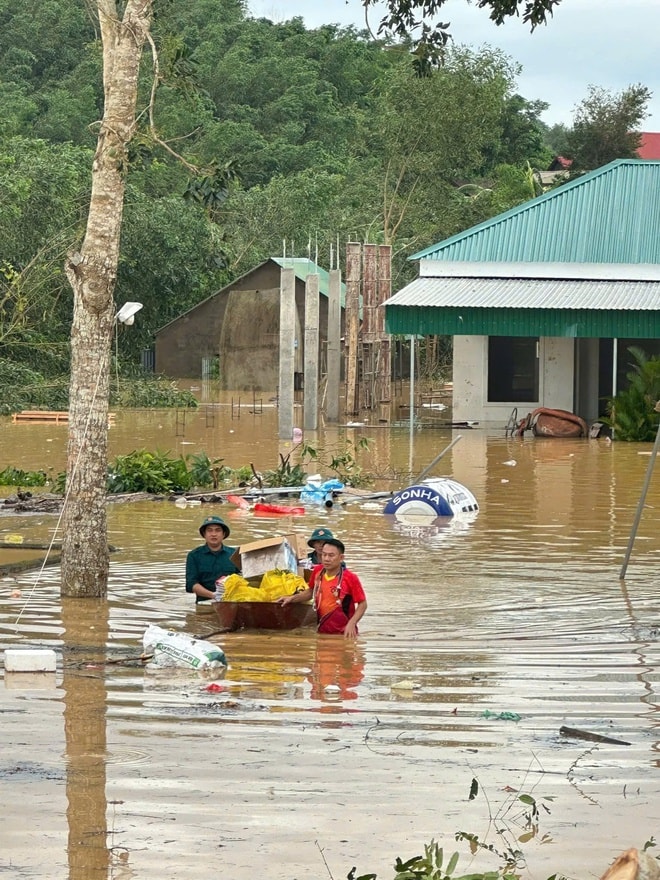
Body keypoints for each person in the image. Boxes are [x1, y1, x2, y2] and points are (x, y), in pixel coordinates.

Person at [279, 538, 367, 638]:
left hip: (344, 634)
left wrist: (352, 623)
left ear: (341, 558)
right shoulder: (317, 571)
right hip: (322, 631)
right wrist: (291, 598)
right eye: (324, 554)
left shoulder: (351, 578)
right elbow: (310, 592)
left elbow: (362, 604)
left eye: (331, 555)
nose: (326, 558)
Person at [186, 515, 240, 603]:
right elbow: (191, 584)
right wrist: (213, 595)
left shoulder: (234, 554)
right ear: (204, 534)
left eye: (218, 530)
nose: (213, 534)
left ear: (223, 534)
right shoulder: (194, 555)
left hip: (231, 603)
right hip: (204, 603)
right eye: (209, 530)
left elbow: (244, 579)